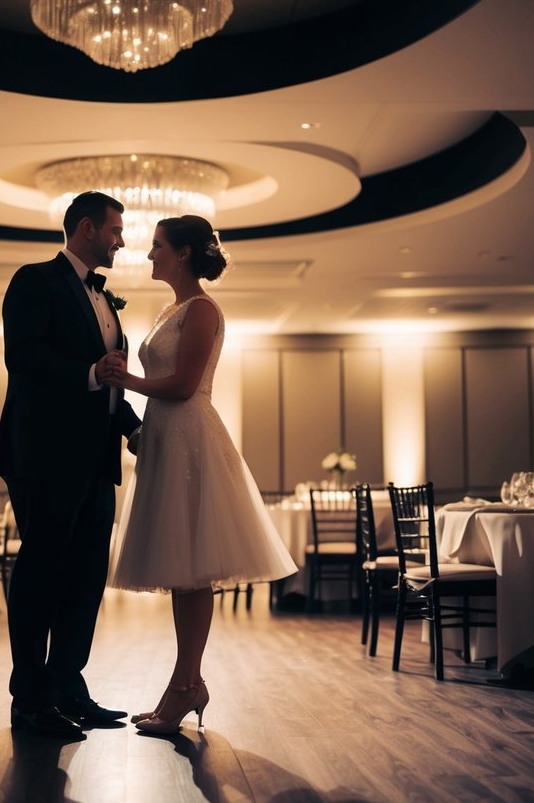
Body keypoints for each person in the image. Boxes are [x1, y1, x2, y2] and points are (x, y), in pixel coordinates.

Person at [108, 214, 298, 735]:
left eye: (157, 246)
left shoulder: (203, 310)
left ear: (184, 253)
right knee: (183, 576)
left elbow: (186, 385)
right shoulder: (173, 309)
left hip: (191, 437)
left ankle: (184, 687)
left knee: (193, 573)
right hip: (167, 437)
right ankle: (187, 685)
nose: (149, 254)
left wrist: (128, 380)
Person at [0, 190, 143, 741]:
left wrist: (134, 428)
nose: (122, 240)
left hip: (96, 462)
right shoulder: (35, 279)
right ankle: (30, 702)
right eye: (115, 230)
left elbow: (109, 382)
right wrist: (88, 372)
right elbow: (22, 356)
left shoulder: (105, 299)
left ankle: (68, 687)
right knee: (41, 575)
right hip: (45, 457)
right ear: (86, 228)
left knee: (84, 580)